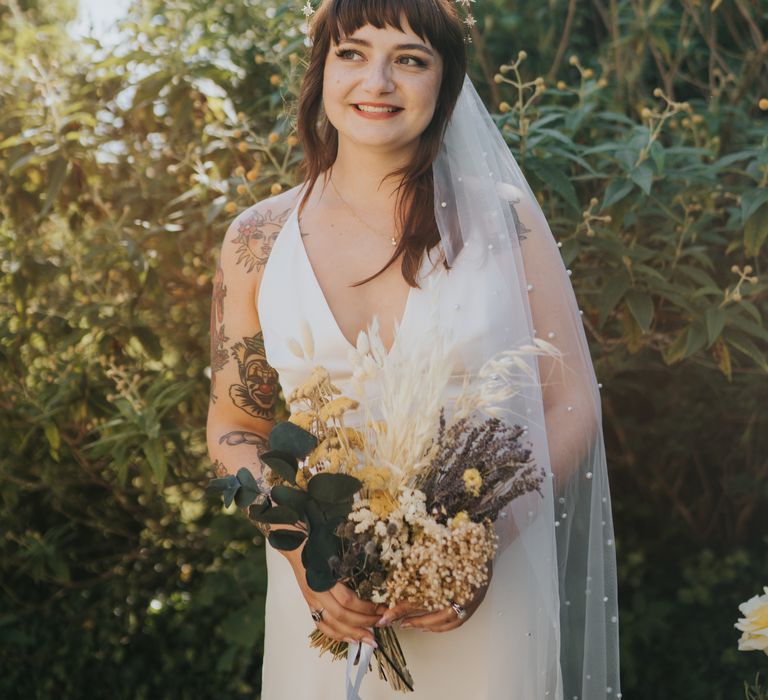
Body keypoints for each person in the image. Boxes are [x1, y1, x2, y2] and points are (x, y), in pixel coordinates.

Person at [206, 1, 621, 698]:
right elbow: (234, 425)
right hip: (328, 602)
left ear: (445, 84)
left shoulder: (504, 220)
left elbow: (570, 398)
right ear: (320, 71)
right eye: (353, 53)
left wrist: (481, 545)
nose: (378, 81)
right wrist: (308, 554)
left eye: (409, 59)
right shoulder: (257, 240)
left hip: (483, 596)